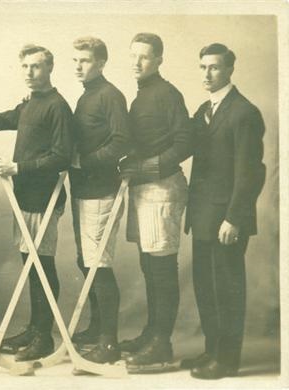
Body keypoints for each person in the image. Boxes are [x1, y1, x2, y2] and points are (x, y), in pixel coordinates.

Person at [182, 43, 265, 379]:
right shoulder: (205, 108)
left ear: (230, 69)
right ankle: (212, 350)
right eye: (202, 67)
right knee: (205, 287)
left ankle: (227, 360)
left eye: (214, 67)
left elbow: (250, 172)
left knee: (227, 288)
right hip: (202, 215)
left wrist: (234, 217)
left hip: (227, 219)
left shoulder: (244, 112)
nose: (207, 73)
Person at [0, 44, 73, 362]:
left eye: (36, 66)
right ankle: (34, 328)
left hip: (45, 198)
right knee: (30, 265)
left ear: (50, 68)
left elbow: (61, 156)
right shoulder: (29, 104)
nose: (30, 72)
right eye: (25, 66)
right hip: (24, 196)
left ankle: (44, 337)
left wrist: (17, 168)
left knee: (42, 265)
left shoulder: (57, 106)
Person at [118, 33, 192, 372]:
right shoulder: (142, 95)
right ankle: (152, 334)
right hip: (143, 190)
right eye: (133, 56)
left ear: (159, 59)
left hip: (163, 188)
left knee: (162, 268)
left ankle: (162, 344)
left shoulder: (168, 94)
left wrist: (148, 166)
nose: (137, 63)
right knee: (150, 266)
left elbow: (185, 142)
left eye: (145, 57)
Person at [68, 36, 131, 363]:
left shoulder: (110, 96)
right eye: (75, 60)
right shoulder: (86, 97)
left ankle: (109, 342)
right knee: (86, 261)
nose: (78, 66)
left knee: (98, 265)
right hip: (82, 190)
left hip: (103, 190)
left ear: (102, 62)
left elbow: (121, 142)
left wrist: (85, 162)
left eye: (86, 60)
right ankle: (96, 327)